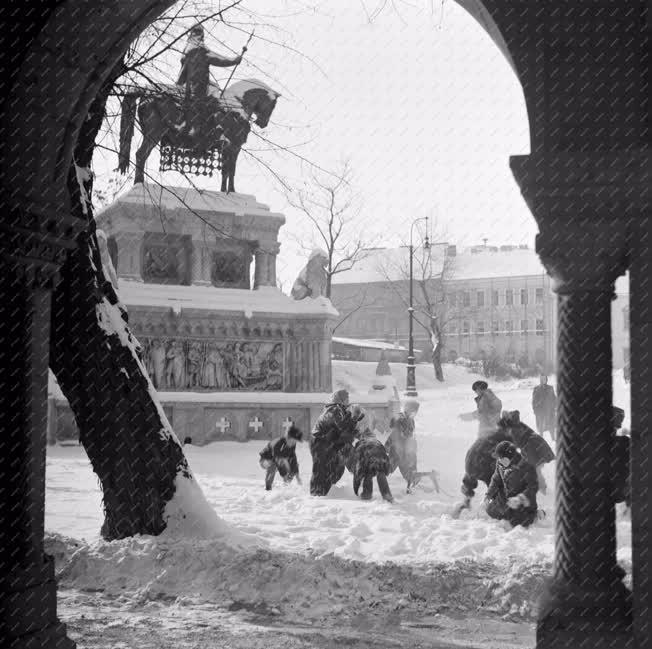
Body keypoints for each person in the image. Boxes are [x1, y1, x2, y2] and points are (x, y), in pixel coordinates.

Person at [176, 22, 242, 137]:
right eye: (201, 34)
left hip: (188, 84)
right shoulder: (201, 50)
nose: (202, 37)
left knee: (214, 87)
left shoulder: (187, 49)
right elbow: (219, 60)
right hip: (199, 85)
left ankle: (196, 123)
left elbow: (183, 69)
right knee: (215, 97)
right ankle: (206, 126)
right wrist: (234, 60)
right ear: (200, 35)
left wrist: (179, 83)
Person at [309, 390, 358, 496]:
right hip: (319, 441)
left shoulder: (340, 410)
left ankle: (327, 490)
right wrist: (351, 423)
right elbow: (341, 426)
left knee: (337, 467)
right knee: (321, 468)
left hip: (331, 442)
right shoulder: (334, 409)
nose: (348, 401)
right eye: (346, 399)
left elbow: (344, 429)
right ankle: (316, 494)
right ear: (341, 399)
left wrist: (353, 423)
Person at [497, 410, 555, 494]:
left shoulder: (514, 430)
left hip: (533, 449)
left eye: (504, 430)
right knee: (534, 469)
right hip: (535, 447)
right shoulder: (516, 425)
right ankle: (542, 488)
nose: (504, 432)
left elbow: (516, 444)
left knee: (532, 469)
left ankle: (542, 490)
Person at [485, 440, 540, 528]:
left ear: (510, 457)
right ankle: (508, 512)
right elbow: (496, 480)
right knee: (490, 510)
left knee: (517, 522)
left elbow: (533, 486)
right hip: (507, 499)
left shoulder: (526, 466)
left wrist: (520, 498)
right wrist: (488, 496)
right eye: (498, 458)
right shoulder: (500, 464)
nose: (499, 460)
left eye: (502, 458)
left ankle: (536, 514)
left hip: (522, 501)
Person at [347, 408, 394, 503]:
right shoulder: (377, 441)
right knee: (379, 472)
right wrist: (387, 469)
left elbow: (358, 470)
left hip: (369, 457)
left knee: (367, 472)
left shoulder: (360, 445)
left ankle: (367, 494)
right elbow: (385, 456)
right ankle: (387, 494)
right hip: (382, 458)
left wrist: (356, 489)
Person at [259, 424, 303, 491]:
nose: (293, 443)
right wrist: (284, 475)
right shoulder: (278, 443)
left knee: (292, 465)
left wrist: (297, 476)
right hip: (265, 460)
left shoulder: (292, 445)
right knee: (274, 465)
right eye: (292, 441)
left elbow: (293, 458)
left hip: (279, 459)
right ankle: (268, 487)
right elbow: (277, 460)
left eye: (295, 442)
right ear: (287, 438)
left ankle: (287, 484)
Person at [532, 375, 557, 442]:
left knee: (551, 425)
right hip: (540, 411)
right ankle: (541, 439)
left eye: (545, 379)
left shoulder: (550, 388)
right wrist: (535, 410)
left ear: (546, 379)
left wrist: (555, 406)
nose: (544, 380)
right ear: (540, 380)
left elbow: (554, 398)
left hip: (549, 410)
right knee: (541, 426)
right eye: (542, 379)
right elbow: (534, 401)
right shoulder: (536, 388)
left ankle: (553, 438)